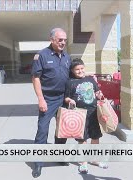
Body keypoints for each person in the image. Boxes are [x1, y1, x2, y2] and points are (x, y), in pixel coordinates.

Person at [31, 28, 71, 178]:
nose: (63, 42)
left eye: (65, 40)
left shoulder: (67, 56)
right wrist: (41, 99)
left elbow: (73, 75)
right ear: (52, 39)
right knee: (42, 131)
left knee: (62, 131)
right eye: (60, 39)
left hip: (63, 98)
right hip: (48, 99)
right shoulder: (42, 55)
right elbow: (35, 78)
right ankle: (38, 163)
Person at [64, 58, 108, 174]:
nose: (80, 71)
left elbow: (97, 92)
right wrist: (70, 101)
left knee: (95, 137)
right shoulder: (70, 82)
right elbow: (66, 97)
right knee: (82, 139)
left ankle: (94, 159)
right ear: (73, 71)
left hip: (94, 113)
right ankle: (83, 163)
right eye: (77, 69)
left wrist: (100, 96)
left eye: (82, 68)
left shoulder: (90, 79)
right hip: (80, 115)